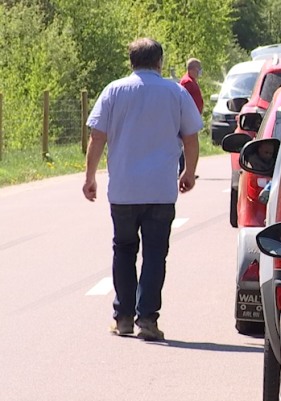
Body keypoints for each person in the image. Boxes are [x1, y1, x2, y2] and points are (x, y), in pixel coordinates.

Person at [83, 38, 204, 341]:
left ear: (131, 62)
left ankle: (123, 318)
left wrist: (90, 177)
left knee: (123, 250)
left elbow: (97, 137)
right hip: (161, 190)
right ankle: (147, 320)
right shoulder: (176, 92)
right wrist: (188, 172)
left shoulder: (114, 91)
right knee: (155, 254)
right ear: (159, 62)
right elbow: (190, 138)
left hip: (123, 189)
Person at [178, 58, 204, 177]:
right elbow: (184, 101)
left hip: (192, 116)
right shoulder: (187, 82)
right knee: (187, 144)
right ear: (193, 69)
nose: (200, 72)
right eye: (199, 69)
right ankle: (184, 170)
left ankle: (187, 171)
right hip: (187, 118)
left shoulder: (191, 80)